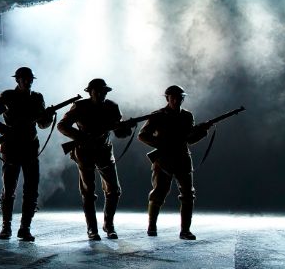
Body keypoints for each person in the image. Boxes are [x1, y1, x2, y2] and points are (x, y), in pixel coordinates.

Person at [0, 67, 53, 241]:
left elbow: (42, 124)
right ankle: (6, 227)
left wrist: (48, 116)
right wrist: (4, 130)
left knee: (31, 190)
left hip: (30, 147)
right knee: (9, 189)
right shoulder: (7, 95)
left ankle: (25, 228)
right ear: (17, 80)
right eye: (24, 79)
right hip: (11, 147)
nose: (27, 81)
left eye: (30, 79)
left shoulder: (37, 98)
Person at [57, 79, 131, 240]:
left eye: (103, 92)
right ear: (90, 92)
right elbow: (62, 125)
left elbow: (119, 133)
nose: (100, 94)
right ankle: (92, 229)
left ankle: (109, 225)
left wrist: (126, 128)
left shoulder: (112, 107)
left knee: (114, 190)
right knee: (88, 192)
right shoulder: (80, 106)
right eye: (97, 91)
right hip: (84, 152)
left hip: (104, 151)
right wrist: (80, 136)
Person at [137, 85, 208, 240]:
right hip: (164, 159)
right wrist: (162, 144)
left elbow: (189, 140)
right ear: (167, 98)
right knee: (159, 192)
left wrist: (202, 132)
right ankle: (151, 227)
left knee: (188, 194)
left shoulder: (187, 116)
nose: (176, 100)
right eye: (173, 97)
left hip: (182, 158)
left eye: (179, 98)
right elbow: (142, 135)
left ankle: (185, 230)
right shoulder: (158, 115)